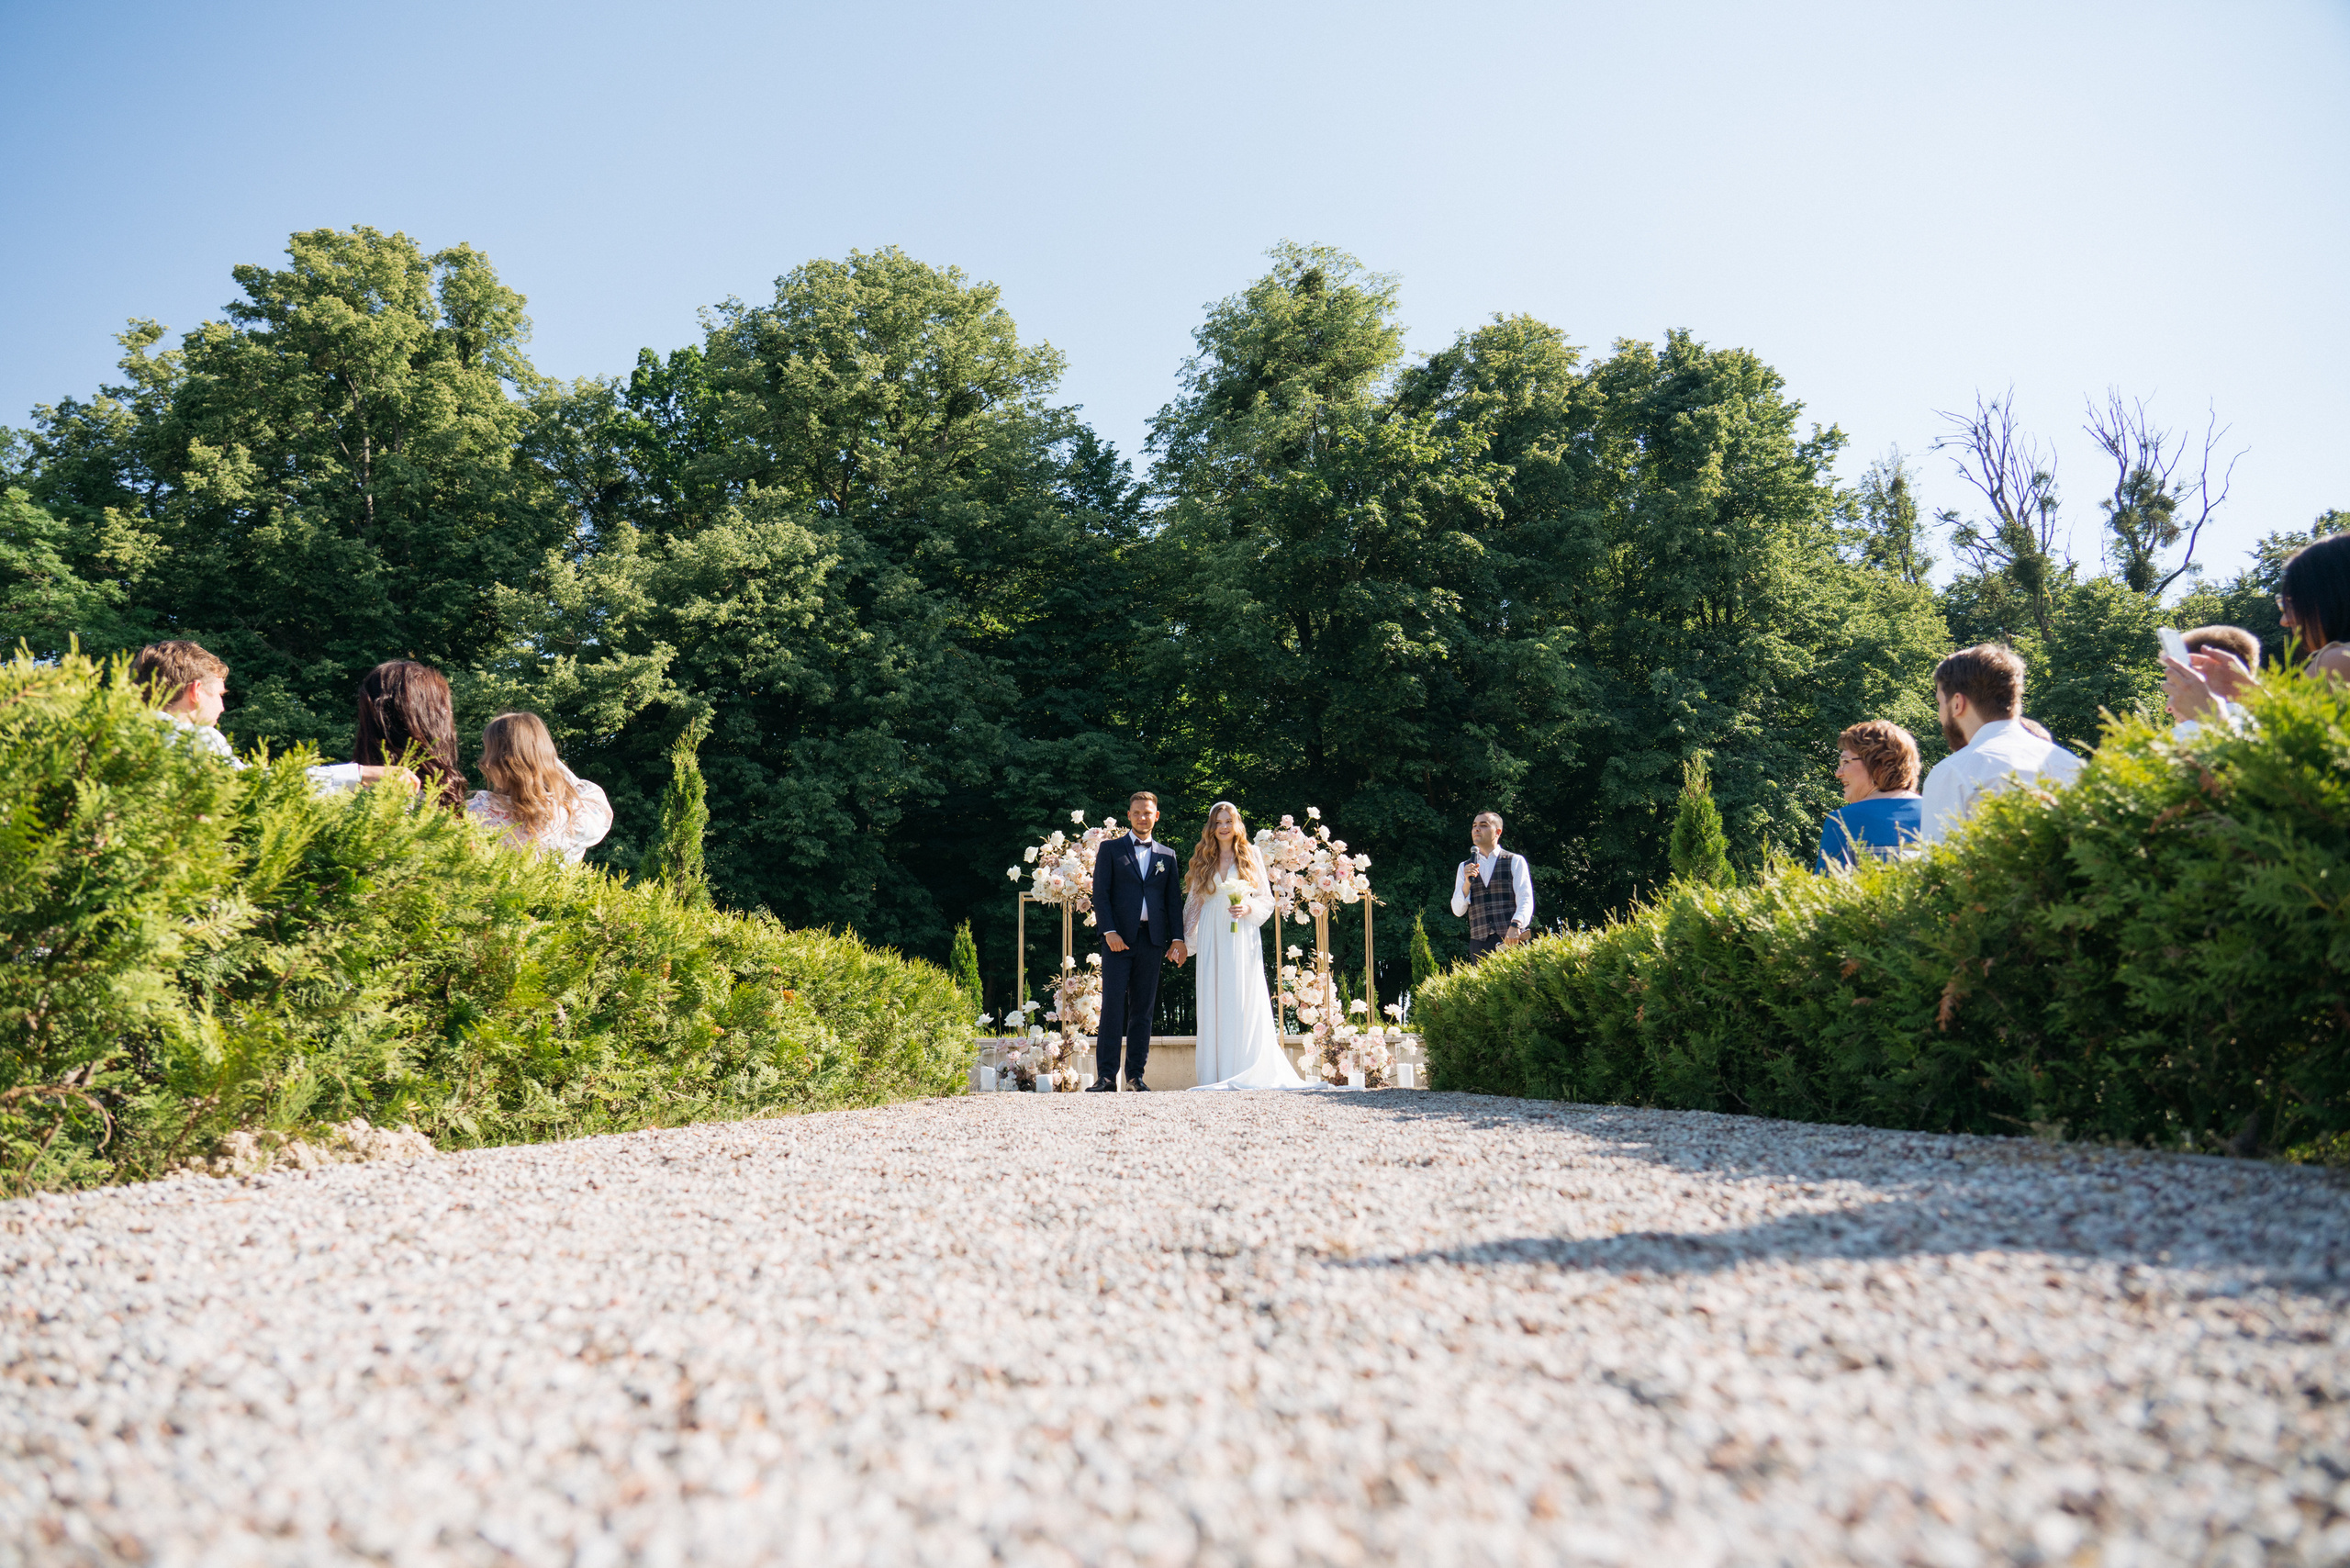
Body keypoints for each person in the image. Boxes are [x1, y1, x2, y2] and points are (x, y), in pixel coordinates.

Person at [1182, 801, 1312, 1091]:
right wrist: (1185, 942)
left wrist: (1248, 907)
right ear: (1212, 827)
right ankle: (1216, 1073)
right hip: (1212, 937)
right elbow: (1194, 903)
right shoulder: (1204, 857)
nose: (1224, 827)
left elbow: (1266, 900)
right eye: (1218, 822)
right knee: (1213, 997)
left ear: (1237, 824)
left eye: (1228, 821)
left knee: (1241, 997)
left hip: (1241, 934)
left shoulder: (1251, 854)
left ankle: (1244, 1067)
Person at [1918, 644, 2084, 846]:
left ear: (1957, 703)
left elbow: (1938, 867)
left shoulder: (1953, 773)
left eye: (1939, 703)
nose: (1940, 716)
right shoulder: (2070, 764)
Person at [1088, 790, 1185, 1092]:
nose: (1142, 817)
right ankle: (1106, 1077)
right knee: (1113, 1007)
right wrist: (1109, 932)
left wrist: (1177, 939)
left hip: (1153, 941)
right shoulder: (1110, 850)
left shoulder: (1167, 856)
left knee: (1143, 1009)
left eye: (1148, 813)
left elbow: (1172, 901)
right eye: (1137, 812)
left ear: (1156, 816)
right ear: (1129, 815)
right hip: (1118, 941)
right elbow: (1100, 895)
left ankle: (1135, 1076)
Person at [313, 660, 465, 809]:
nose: (449, 718)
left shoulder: (443, 796)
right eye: (443, 711)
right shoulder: (347, 788)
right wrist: (361, 774)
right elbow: (291, 781)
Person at [465, 711, 613, 862]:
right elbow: (594, 799)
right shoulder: (571, 817)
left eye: (489, 751)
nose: (484, 762)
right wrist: (546, 761)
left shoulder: (476, 814)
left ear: (503, 761)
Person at [1814, 721, 1923, 872]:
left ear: (1878, 765)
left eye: (1845, 761)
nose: (1838, 773)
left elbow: (1827, 891)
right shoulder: (1940, 815)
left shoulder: (1843, 821)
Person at [130, 640, 237, 764]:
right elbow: (250, 779)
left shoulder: (111, 736)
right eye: (220, 694)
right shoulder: (202, 740)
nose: (222, 707)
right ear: (196, 691)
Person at [1449, 812, 1533, 958]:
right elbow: (1457, 910)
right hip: (1479, 944)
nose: (1476, 829)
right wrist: (1467, 883)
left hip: (1511, 938)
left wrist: (1516, 925)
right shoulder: (1464, 867)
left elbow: (1525, 898)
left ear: (1497, 832)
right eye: (1474, 825)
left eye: (1483, 825)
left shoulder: (1515, 860)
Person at [2160, 625, 2261, 737]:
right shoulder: (2270, 722)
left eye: (2175, 689)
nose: (2168, 708)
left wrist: (2207, 714)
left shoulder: (2181, 737)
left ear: (2199, 681)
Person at [2278, 532, 2350, 683]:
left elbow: (2290, 708)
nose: (2284, 621)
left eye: (2293, 603)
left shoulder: (2337, 660)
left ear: (2332, 598)